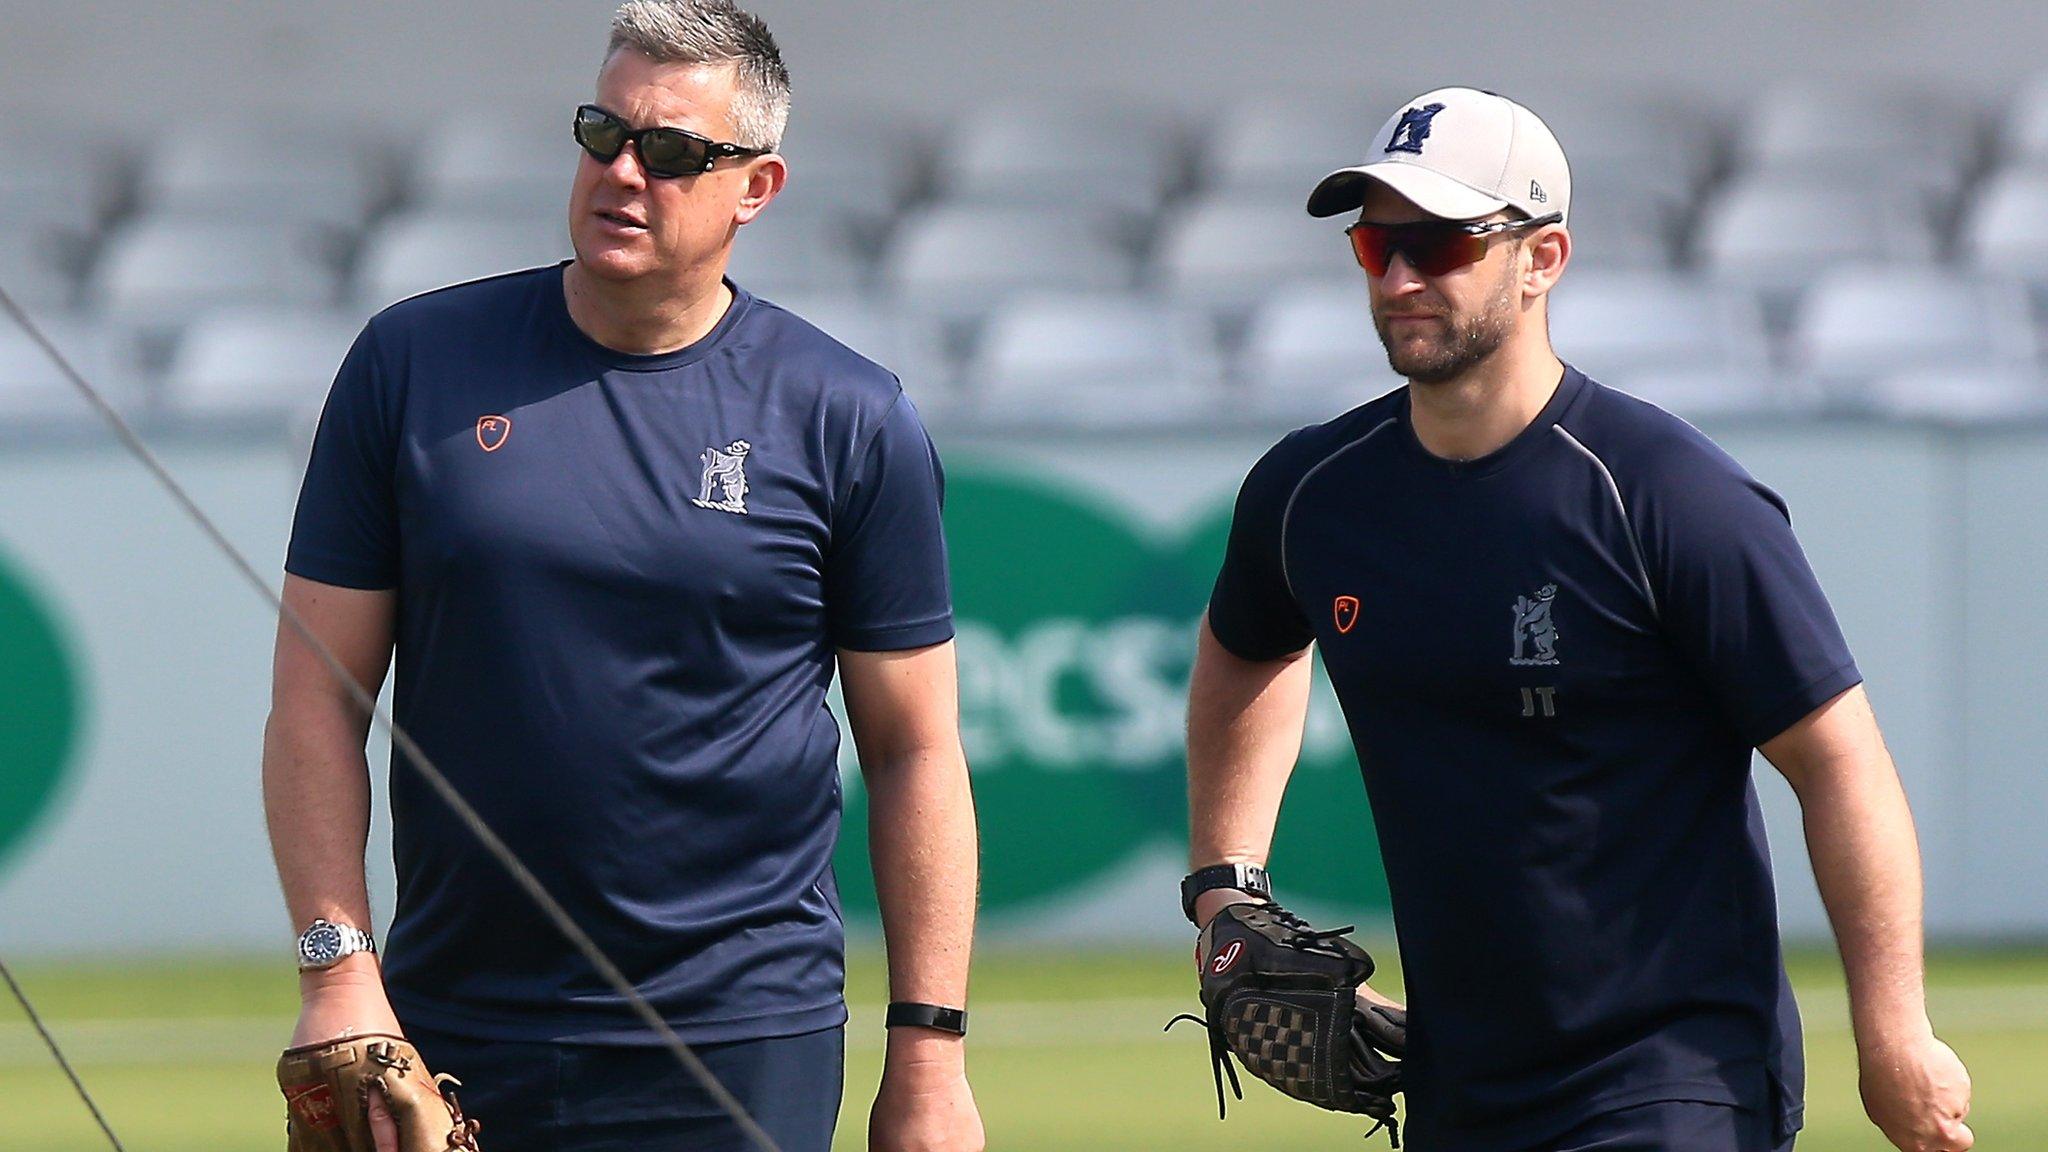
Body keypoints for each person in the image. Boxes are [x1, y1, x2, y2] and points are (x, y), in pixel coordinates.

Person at [1181, 86, 1973, 1152]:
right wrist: (1225, 889)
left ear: (1541, 258)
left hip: (1676, 1076)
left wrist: (1893, 1034)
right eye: (1377, 247)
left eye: (1442, 243)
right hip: (1456, 1085)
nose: (1403, 277)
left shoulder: (1666, 497)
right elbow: (1244, 654)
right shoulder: (1311, 492)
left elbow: (1839, 763)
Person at [261, 3, 984, 1150]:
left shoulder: (851, 416)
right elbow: (313, 700)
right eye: (603, 132)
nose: (623, 171)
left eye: (673, 151)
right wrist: (337, 966)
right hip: (447, 1023)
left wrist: (930, 1053)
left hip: (744, 1036)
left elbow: (914, 751)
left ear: (755, 187)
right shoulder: (410, 363)